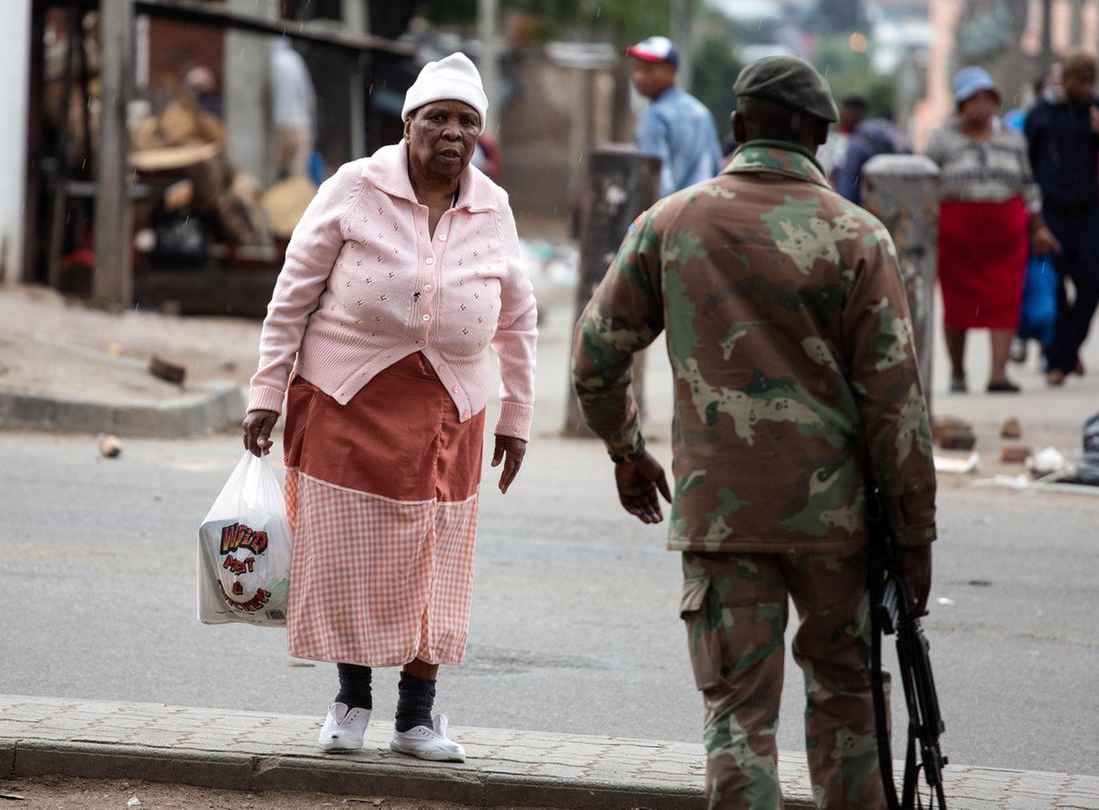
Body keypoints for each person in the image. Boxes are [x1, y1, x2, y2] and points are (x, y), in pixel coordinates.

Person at [572, 55, 937, 810]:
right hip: (839, 526)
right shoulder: (859, 237)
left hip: (722, 516)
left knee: (738, 718)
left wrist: (627, 451)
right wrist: (914, 534)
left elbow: (594, 356)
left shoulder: (670, 223)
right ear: (824, 137)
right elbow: (897, 405)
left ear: (737, 127)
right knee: (850, 709)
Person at [241, 52, 538, 763]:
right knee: (349, 558)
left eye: (467, 121)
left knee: (434, 559)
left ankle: (418, 716)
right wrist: (266, 391)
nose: (452, 133)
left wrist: (516, 417)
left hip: (451, 409)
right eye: (437, 117)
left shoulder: (491, 206)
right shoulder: (354, 187)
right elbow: (294, 294)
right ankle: (350, 702)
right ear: (407, 124)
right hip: (348, 398)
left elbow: (519, 319)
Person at [925, 66, 1055, 395]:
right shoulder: (942, 139)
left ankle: (998, 374)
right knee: (956, 304)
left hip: (1005, 236)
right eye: (973, 99)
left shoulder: (1012, 139)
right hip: (957, 238)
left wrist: (1039, 229)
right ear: (960, 104)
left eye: (987, 98)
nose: (980, 106)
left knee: (1004, 301)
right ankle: (958, 372)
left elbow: (1029, 187)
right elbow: (925, 184)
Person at [1024, 51, 1099, 387]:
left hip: (1086, 214)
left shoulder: (1098, 110)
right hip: (1052, 214)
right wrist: (1034, 216)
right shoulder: (1041, 114)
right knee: (1053, 288)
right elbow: (1028, 166)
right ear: (1065, 80)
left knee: (1091, 283)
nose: (1084, 88)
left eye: (1089, 82)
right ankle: (1059, 359)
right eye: (1079, 82)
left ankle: (1067, 350)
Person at [628, 36, 724, 198]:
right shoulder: (701, 111)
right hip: (704, 210)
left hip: (668, 216)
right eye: (637, 68)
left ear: (672, 72)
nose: (639, 76)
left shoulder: (654, 117)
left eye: (648, 69)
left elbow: (655, 183)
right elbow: (716, 167)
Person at [833, 97, 907, 204]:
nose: (839, 117)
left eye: (842, 112)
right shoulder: (883, 133)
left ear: (854, 113)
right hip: (890, 205)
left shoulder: (856, 145)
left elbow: (847, 189)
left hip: (862, 210)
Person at [272, 38, 317, 180]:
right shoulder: (295, 59)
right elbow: (307, 94)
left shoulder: (271, 61)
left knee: (274, 174)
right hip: (299, 123)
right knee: (297, 174)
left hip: (278, 124)